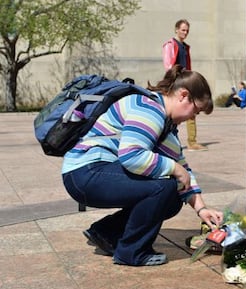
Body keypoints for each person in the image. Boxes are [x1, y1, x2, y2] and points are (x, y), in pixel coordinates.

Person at [61, 65, 224, 266]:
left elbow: (184, 170)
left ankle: (106, 233)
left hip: (92, 173)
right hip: (85, 172)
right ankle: (132, 252)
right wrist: (174, 169)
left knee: (172, 198)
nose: (192, 117)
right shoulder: (149, 109)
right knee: (164, 187)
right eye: (195, 111)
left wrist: (201, 209)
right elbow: (131, 156)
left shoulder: (166, 124)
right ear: (183, 95)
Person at [162, 19, 208, 151]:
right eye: (183, 30)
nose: (185, 32)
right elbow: (168, 66)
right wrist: (173, 81)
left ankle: (192, 142)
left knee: (192, 109)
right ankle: (165, 140)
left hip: (186, 81)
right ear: (176, 29)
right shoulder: (170, 45)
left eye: (187, 30)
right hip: (175, 82)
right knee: (171, 113)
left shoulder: (185, 47)